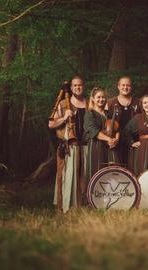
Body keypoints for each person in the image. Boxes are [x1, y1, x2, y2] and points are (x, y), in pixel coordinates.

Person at [48, 76, 87, 213]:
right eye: (75, 85)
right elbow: (51, 124)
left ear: (83, 86)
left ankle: (84, 206)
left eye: (80, 85)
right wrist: (64, 118)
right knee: (68, 177)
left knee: (84, 177)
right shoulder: (63, 104)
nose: (78, 87)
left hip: (86, 147)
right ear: (71, 88)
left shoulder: (89, 104)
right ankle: (67, 207)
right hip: (70, 147)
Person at [83, 87, 120, 183]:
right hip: (96, 146)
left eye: (103, 97)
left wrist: (116, 139)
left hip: (111, 146)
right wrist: (109, 139)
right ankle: (95, 197)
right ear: (93, 99)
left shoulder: (108, 113)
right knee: (97, 172)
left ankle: (111, 197)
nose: (101, 99)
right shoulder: (89, 113)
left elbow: (118, 129)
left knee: (112, 173)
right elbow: (92, 130)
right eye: (98, 97)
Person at [106, 76, 141, 168]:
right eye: (123, 85)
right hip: (117, 143)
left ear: (131, 87)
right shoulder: (110, 103)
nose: (125, 87)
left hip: (134, 142)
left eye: (128, 85)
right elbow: (104, 123)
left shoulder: (139, 102)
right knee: (118, 170)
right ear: (118, 86)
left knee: (134, 169)